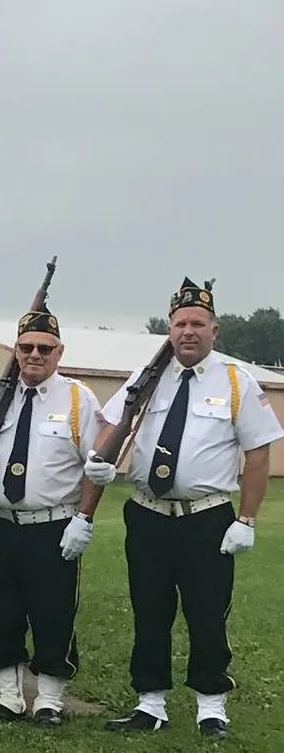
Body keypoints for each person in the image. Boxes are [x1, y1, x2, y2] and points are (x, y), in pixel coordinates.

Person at [89, 278, 283, 738]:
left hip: (207, 519)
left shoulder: (237, 381)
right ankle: (149, 703)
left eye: (198, 323)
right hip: (147, 513)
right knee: (149, 610)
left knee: (207, 613)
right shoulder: (147, 378)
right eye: (180, 323)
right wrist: (99, 462)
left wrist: (247, 519)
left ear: (215, 331)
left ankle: (211, 705)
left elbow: (258, 455)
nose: (188, 331)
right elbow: (110, 424)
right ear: (169, 330)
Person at [0, 307, 102, 726]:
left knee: (53, 613)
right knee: (0, 610)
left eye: (44, 348)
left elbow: (95, 466)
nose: (34, 355)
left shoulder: (78, 398)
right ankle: (8, 697)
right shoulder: (1, 397)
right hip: (0, 523)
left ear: (59, 353)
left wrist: (84, 519)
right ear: (15, 351)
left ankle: (50, 700)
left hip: (52, 525)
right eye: (26, 347)